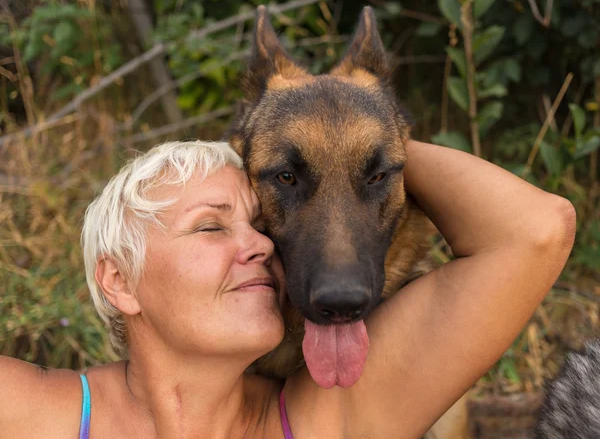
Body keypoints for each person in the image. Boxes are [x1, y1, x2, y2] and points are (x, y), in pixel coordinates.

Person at [0, 139, 575, 438]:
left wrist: (358, 138)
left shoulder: (333, 415)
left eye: (260, 225)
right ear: (119, 280)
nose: (262, 246)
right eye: (209, 226)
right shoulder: (32, 413)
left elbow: (532, 231)